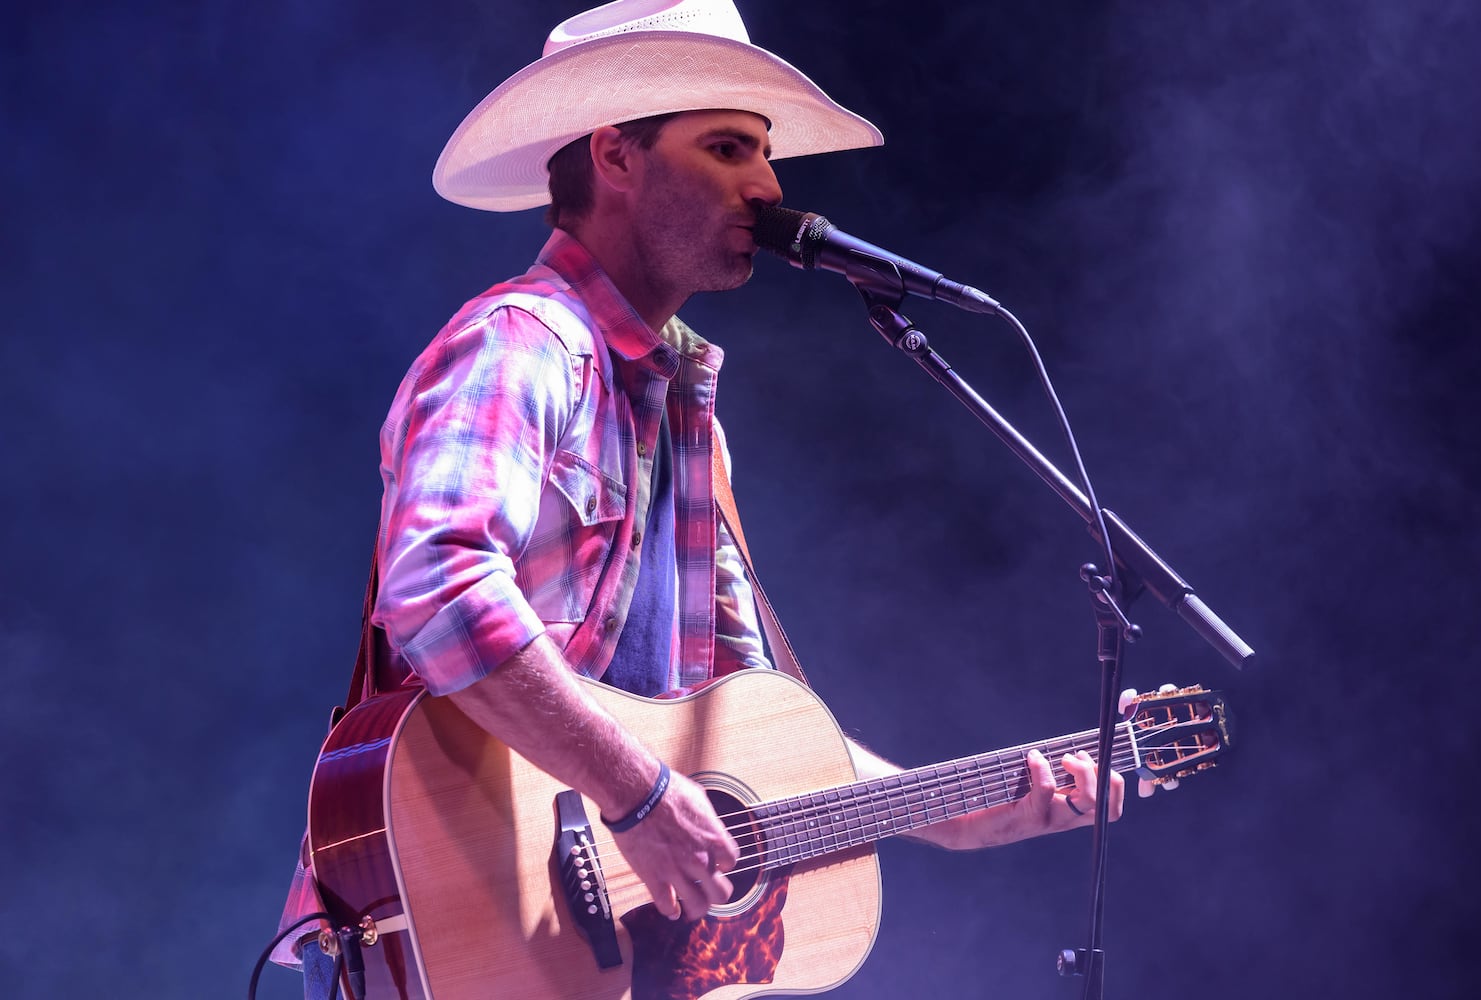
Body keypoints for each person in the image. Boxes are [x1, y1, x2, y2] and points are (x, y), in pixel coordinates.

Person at [275, 1, 1124, 995]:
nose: (767, 187)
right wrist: (635, 795)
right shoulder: (523, 345)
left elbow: (743, 733)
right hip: (457, 918)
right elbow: (438, 585)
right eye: (727, 147)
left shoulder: (689, 419)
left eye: (764, 154)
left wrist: (948, 811)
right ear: (615, 156)